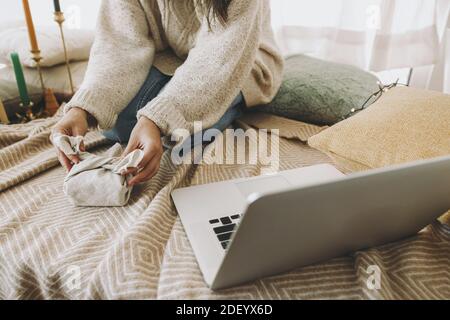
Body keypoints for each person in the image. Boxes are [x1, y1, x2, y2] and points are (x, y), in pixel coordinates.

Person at [52, 0, 283, 186]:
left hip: (241, 60)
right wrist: (81, 108)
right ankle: (191, 108)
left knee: (172, 133)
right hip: (170, 56)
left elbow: (218, 58)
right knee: (115, 123)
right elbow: (119, 44)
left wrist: (157, 119)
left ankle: (227, 105)